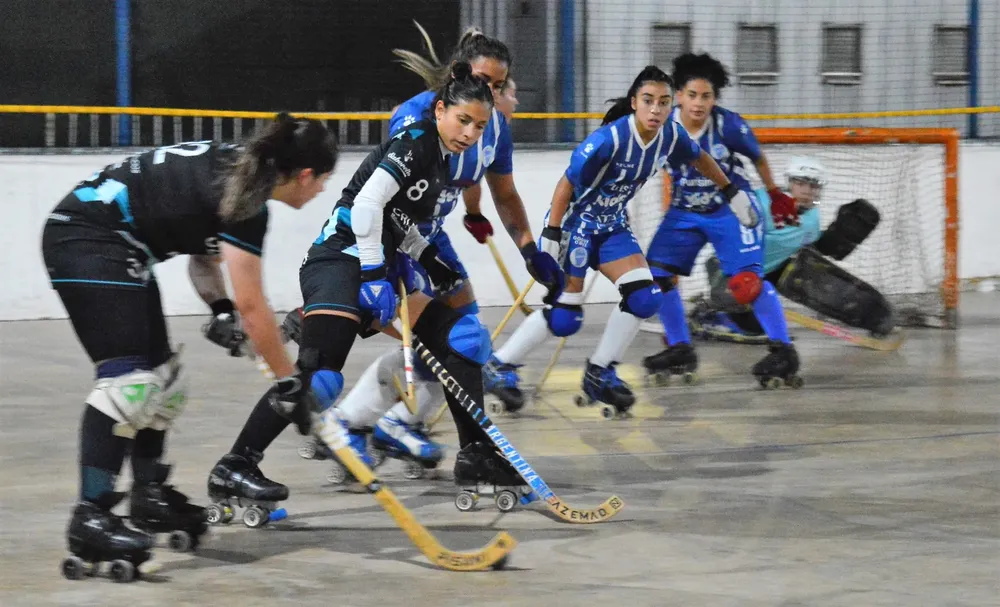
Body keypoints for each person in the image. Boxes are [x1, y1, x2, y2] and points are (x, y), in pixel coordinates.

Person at [209, 62, 529, 519]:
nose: (470, 133)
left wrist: (427, 257)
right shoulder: (416, 140)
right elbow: (365, 204)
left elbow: (401, 218)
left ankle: (476, 453)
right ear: (440, 110)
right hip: (340, 258)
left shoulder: (442, 157)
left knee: (464, 339)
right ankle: (236, 465)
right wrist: (375, 274)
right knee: (319, 379)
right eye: (463, 120)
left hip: (384, 258)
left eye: (479, 125)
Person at [43, 115, 337, 578]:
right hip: (85, 237)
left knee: (166, 384)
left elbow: (204, 257)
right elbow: (255, 307)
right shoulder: (250, 200)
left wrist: (219, 307)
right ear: (305, 175)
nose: (321, 191)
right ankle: (90, 517)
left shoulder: (242, 173)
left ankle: (148, 496)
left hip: (117, 245)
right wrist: (289, 383)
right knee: (130, 385)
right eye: (323, 181)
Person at [293, 25, 561, 472]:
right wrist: (385, 270)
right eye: (483, 82)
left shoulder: (490, 125)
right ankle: (353, 422)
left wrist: (528, 248)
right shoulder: (418, 118)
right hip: (390, 237)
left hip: (427, 236)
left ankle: (401, 423)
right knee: (436, 338)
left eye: (499, 87)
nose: (490, 95)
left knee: (466, 340)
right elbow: (384, 201)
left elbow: (500, 190)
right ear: (457, 76)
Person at [482, 66, 759, 414]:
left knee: (645, 298)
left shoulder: (670, 135)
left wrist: (732, 192)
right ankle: (499, 365)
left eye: (663, 102)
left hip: (612, 226)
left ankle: (599, 372)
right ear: (634, 103)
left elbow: (700, 158)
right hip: (577, 226)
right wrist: (552, 233)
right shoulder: (608, 140)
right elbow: (567, 184)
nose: (656, 110)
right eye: (648, 101)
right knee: (566, 317)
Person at [641, 53, 803, 388]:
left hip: (731, 208)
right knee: (656, 275)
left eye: (707, 96)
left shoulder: (728, 125)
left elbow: (757, 157)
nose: (698, 104)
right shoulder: (661, 125)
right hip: (685, 209)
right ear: (678, 96)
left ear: (715, 99)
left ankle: (784, 351)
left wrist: (774, 194)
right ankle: (680, 347)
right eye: (691, 95)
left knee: (746, 284)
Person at [692, 156, 894, 340]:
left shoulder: (811, 218)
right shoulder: (761, 204)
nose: (807, 190)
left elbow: (813, 248)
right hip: (731, 268)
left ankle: (875, 316)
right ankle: (713, 313)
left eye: (813, 185)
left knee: (808, 275)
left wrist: (842, 237)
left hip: (772, 269)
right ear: (789, 183)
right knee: (751, 325)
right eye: (800, 183)